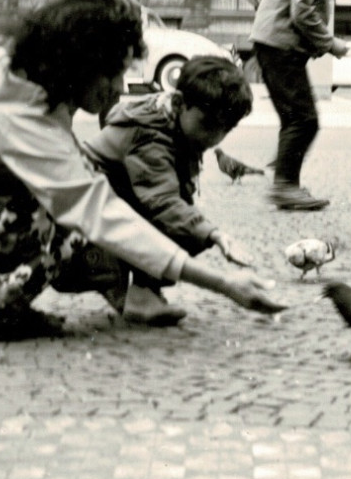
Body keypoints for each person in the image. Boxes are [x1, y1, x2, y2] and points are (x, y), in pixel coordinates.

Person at [0, 0, 285, 344]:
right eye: (111, 73)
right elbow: (96, 211)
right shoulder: (22, 112)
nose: (118, 87)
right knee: (54, 213)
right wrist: (223, 284)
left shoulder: (7, 66)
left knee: (61, 187)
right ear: (79, 65)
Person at [84, 55, 256, 326]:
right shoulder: (149, 133)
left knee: (187, 221)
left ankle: (140, 292)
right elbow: (162, 202)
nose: (212, 138)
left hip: (110, 212)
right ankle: (130, 291)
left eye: (223, 130)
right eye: (207, 125)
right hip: (81, 227)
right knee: (184, 223)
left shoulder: (175, 123)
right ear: (178, 103)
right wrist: (214, 234)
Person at [249, 0, 351, 211]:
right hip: (279, 46)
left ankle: (285, 174)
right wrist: (331, 44)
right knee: (304, 119)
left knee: (295, 118)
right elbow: (301, 12)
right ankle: (285, 186)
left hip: (273, 44)